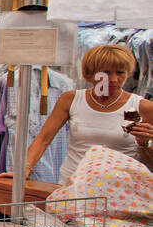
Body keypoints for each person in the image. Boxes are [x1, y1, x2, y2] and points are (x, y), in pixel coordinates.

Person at [15, 43, 153, 184]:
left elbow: (150, 161)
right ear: (90, 73)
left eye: (120, 73)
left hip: (119, 189)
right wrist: (24, 168)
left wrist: (145, 144)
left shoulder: (143, 107)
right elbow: (43, 138)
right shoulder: (70, 99)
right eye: (105, 73)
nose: (113, 79)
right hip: (73, 186)